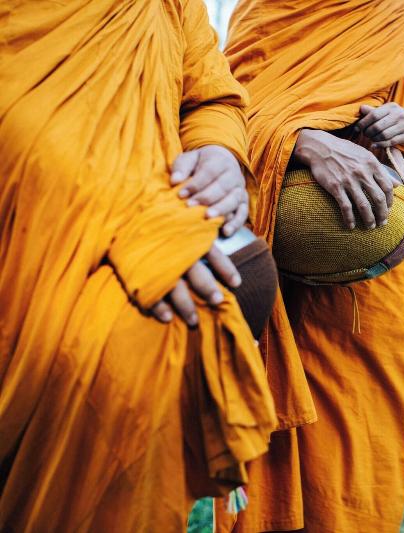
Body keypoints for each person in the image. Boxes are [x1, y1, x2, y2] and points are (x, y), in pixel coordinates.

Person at [0, 0, 278, 530]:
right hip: (34, 271)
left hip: (153, 306)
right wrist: (138, 221)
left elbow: (211, 97)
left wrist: (217, 149)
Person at [213, 1, 404, 531]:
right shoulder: (263, 12)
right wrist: (302, 141)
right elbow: (219, 119)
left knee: (363, 484)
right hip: (282, 289)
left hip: (380, 300)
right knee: (271, 473)